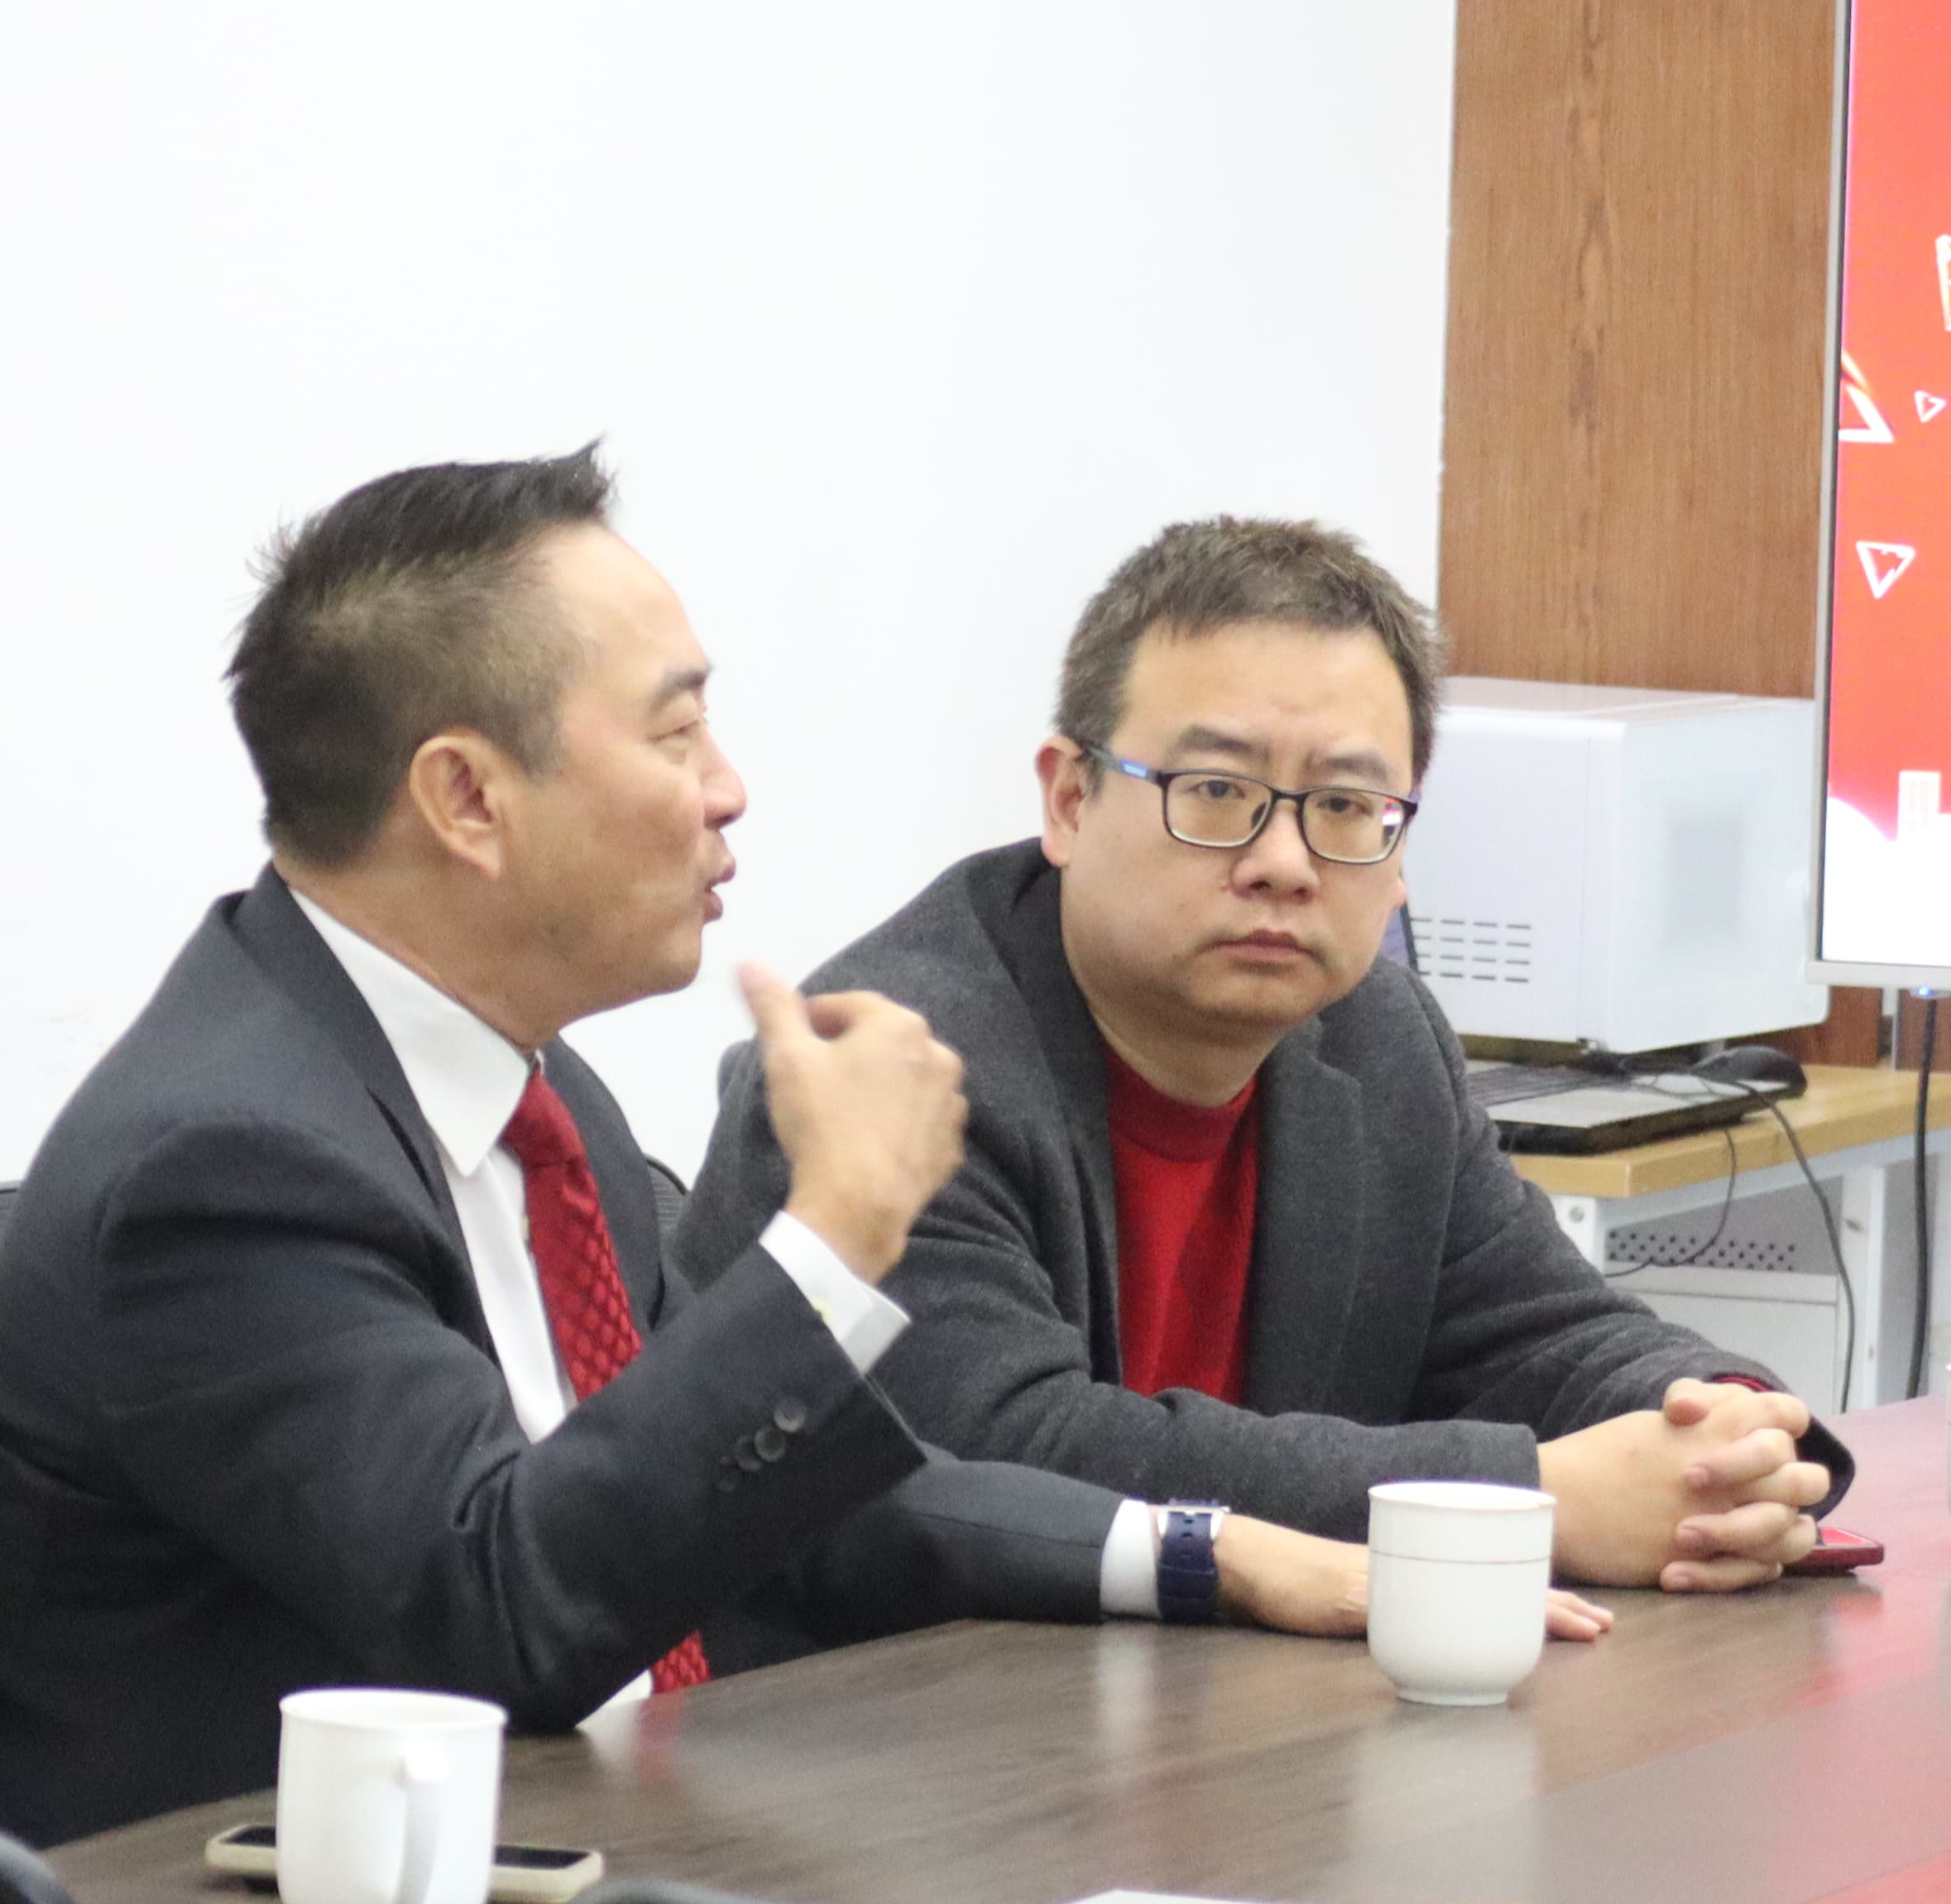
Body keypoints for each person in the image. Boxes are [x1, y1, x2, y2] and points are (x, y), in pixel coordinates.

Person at [0, 454, 1507, 1850]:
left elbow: (771, 1503)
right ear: (467, 799)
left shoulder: (540, 1108)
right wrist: (837, 1230)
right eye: (676, 735)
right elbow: (504, 1609)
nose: (729, 791)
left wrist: (1204, 1554)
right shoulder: (229, 1165)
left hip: (563, 1867)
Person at [674, 516, 1838, 1591]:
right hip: (912, 1718)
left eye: (1345, 807)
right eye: (1218, 791)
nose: (1283, 862)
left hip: (1238, 1707)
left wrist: (1726, 1433)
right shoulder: (889, 1068)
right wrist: (1519, 1500)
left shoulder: (1379, 1041)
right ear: (1069, 800)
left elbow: (1544, 1335)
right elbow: (1013, 1457)